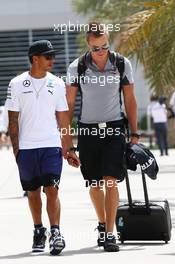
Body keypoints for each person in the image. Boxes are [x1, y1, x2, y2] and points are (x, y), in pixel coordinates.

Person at [66, 22, 139, 252]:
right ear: (88, 44)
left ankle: (110, 233)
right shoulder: (76, 67)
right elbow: (68, 105)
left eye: (105, 46)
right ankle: (101, 223)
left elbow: (129, 99)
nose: (101, 51)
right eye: (96, 48)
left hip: (114, 128)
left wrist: (135, 132)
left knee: (110, 181)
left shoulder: (120, 63)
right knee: (95, 184)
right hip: (87, 131)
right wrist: (67, 141)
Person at [7, 40, 80, 255]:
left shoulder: (57, 84)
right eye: (47, 57)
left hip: (51, 147)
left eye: (53, 56)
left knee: (52, 190)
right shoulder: (17, 83)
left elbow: (63, 120)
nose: (52, 60)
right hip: (27, 149)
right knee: (33, 193)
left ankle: (56, 232)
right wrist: (17, 151)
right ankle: (39, 230)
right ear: (35, 59)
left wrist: (69, 148)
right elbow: (13, 119)